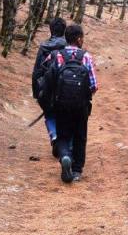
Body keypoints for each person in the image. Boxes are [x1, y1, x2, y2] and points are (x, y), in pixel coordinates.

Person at [44, 23, 98, 183]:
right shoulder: (86, 57)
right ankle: (76, 171)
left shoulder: (56, 56)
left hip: (61, 104)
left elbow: (48, 79)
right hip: (81, 106)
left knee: (62, 136)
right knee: (80, 136)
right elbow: (94, 85)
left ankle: (65, 156)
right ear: (79, 39)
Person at [32, 17, 68, 158]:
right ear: (64, 30)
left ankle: (54, 135)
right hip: (65, 88)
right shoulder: (69, 46)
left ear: (51, 30)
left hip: (47, 88)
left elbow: (37, 72)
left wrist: (37, 93)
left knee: (49, 113)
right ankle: (63, 142)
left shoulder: (44, 47)